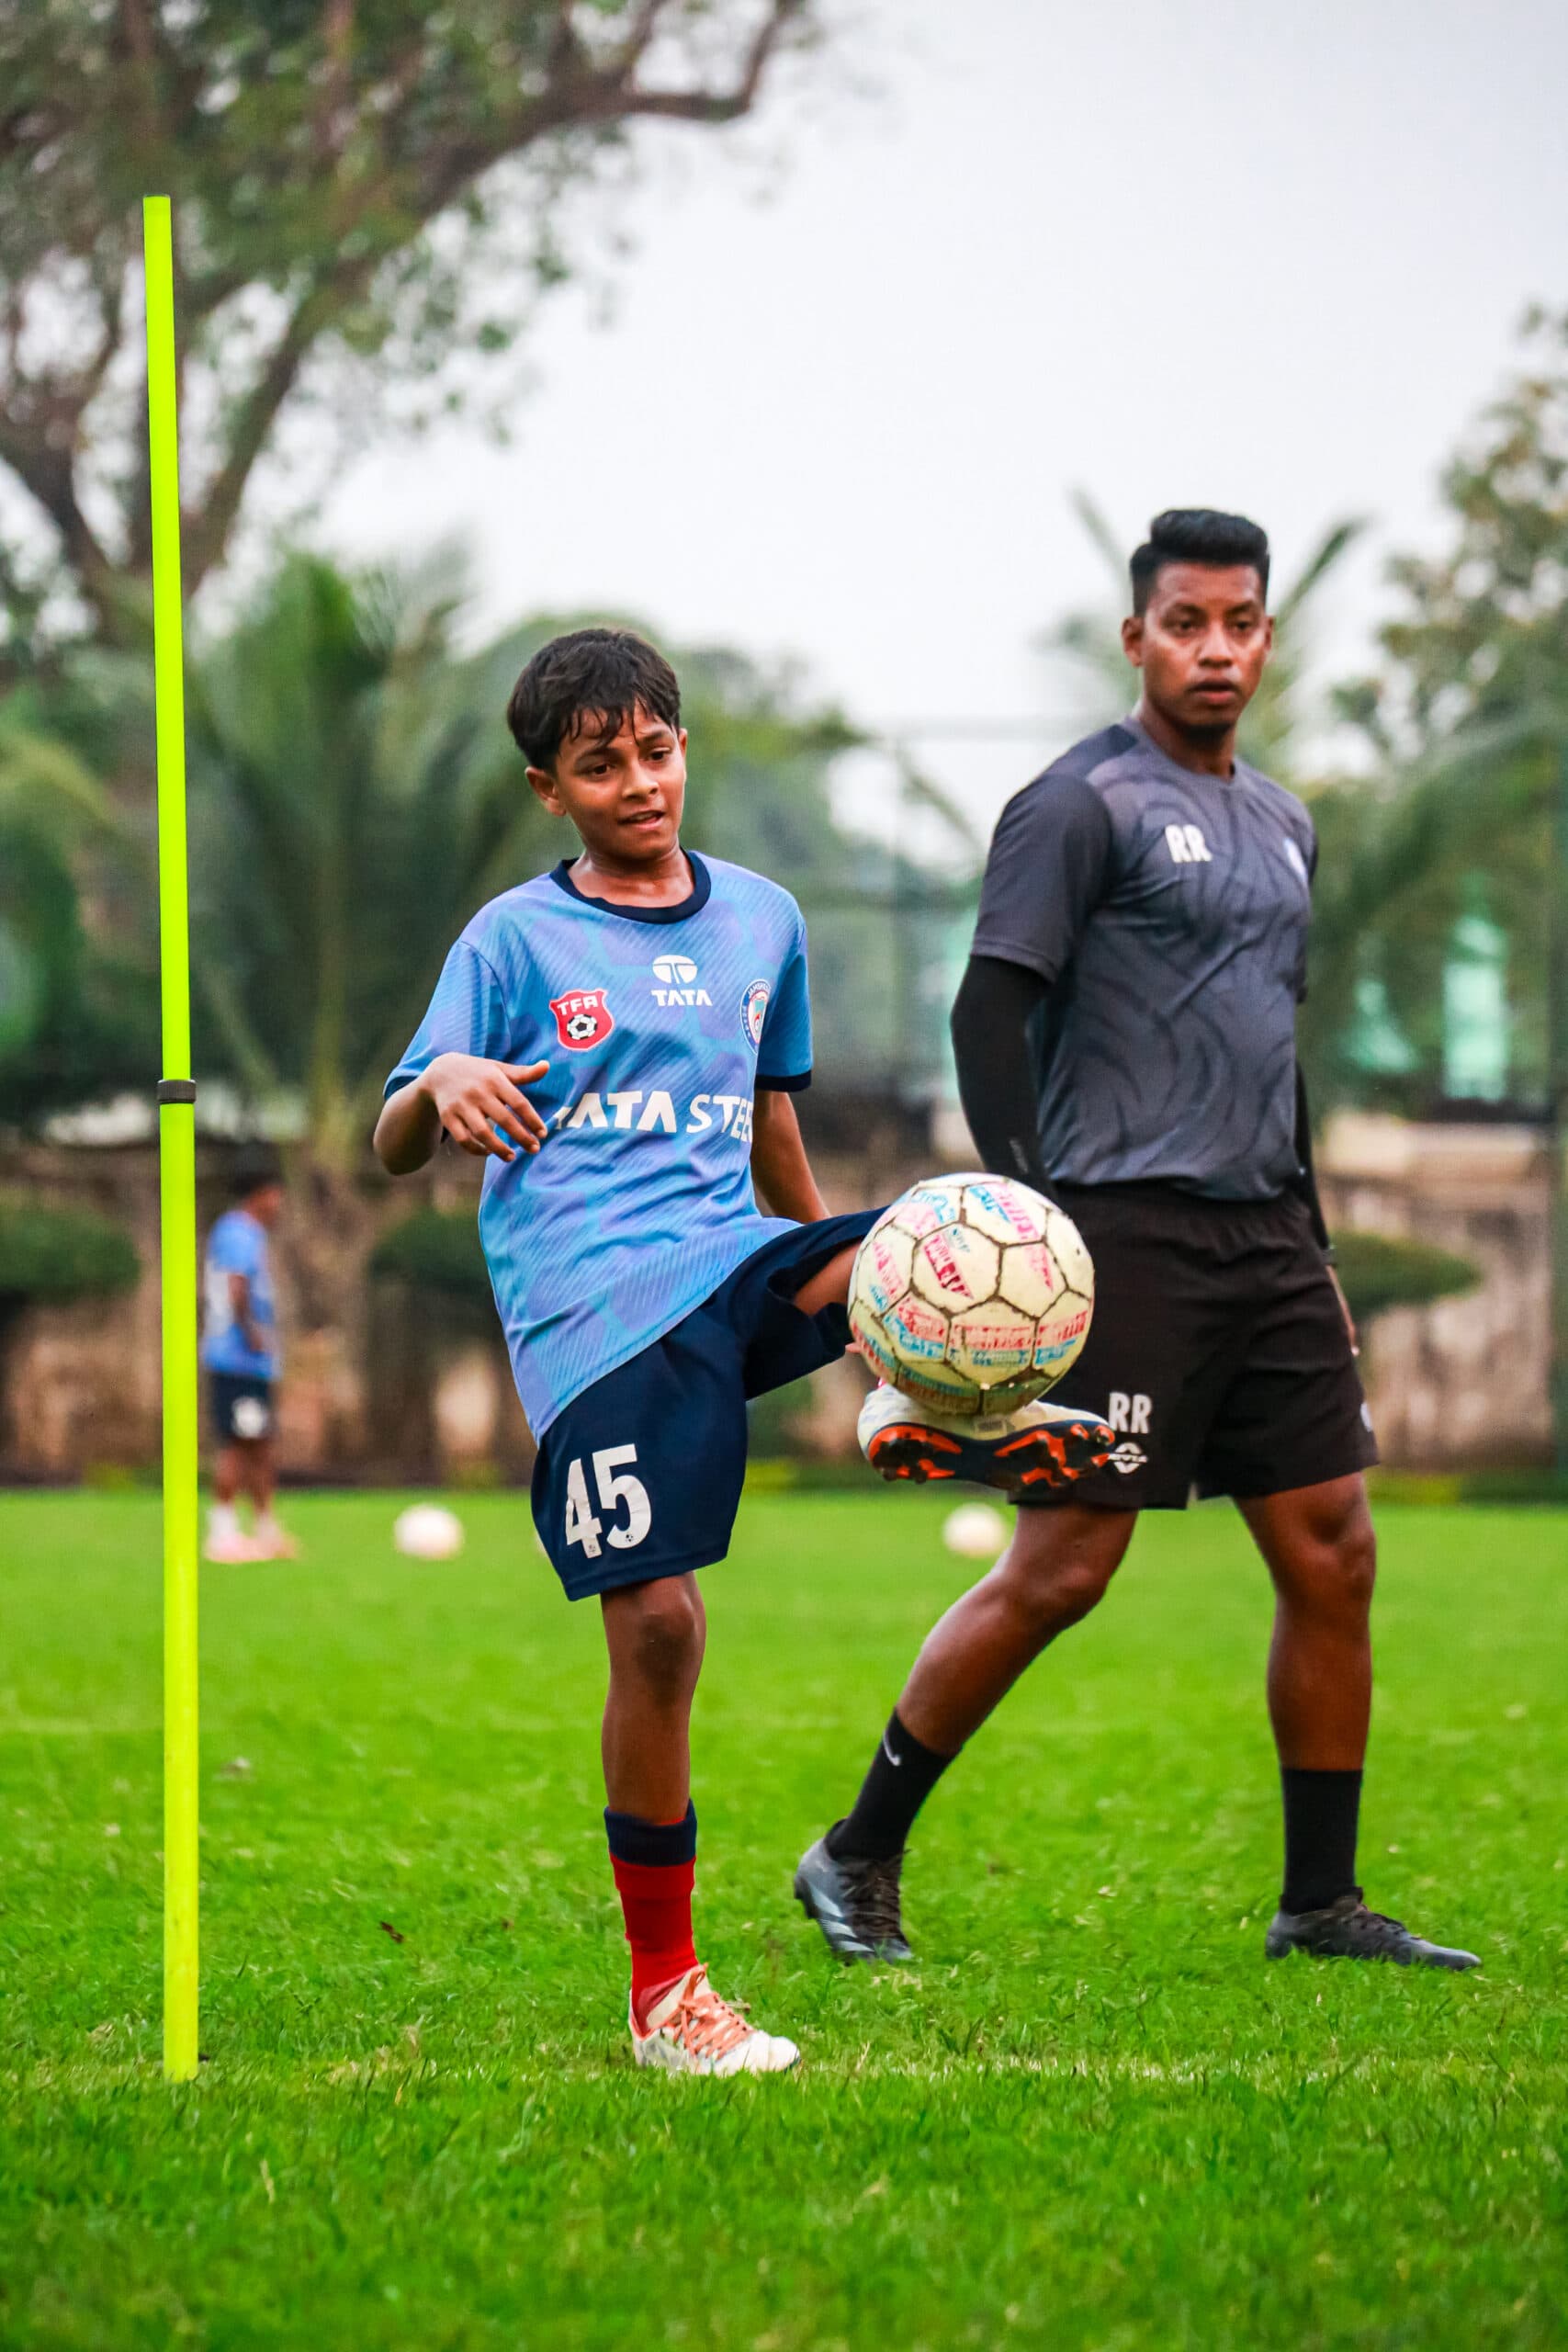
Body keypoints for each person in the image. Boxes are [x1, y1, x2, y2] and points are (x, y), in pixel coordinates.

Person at [374, 628, 1109, 2075]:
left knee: (935, 1225)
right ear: (549, 790)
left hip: (729, 1258)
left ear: (681, 748)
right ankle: (665, 1998)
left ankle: (931, 1401)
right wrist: (439, 1079)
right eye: (601, 766)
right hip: (590, 1313)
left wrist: (863, 1295)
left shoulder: (762, 919)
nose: (639, 783)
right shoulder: (509, 942)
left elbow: (772, 1127)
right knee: (659, 1630)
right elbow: (394, 1136)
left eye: (656, 751)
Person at [795, 509, 1479, 1973]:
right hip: (1120, 1235)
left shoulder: (1284, 823)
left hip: (1266, 1239)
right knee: (1063, 1567)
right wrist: (1029, 1216)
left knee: (1333, 1552)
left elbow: (1267, 1049)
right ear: (1136, 638)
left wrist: (1311, 1245)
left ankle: (1318, 1902)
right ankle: (852, 1851)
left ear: (1265, 638)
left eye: (1237, 623)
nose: (1212, 649)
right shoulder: (1076, 804)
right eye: (1185, 623)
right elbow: (987, 1010)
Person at [200, 1145, 297, 1564]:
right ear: (260, 1193)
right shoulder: (238, 1231)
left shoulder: (248, 1233)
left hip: (252, 1363)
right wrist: (252, 1333)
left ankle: (264, 1527)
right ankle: (222, 1532)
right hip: (236, 1360)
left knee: (260, 1444)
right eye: (276, 1194)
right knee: (238, 1444)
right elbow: (236, 1286)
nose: (279, 1204)